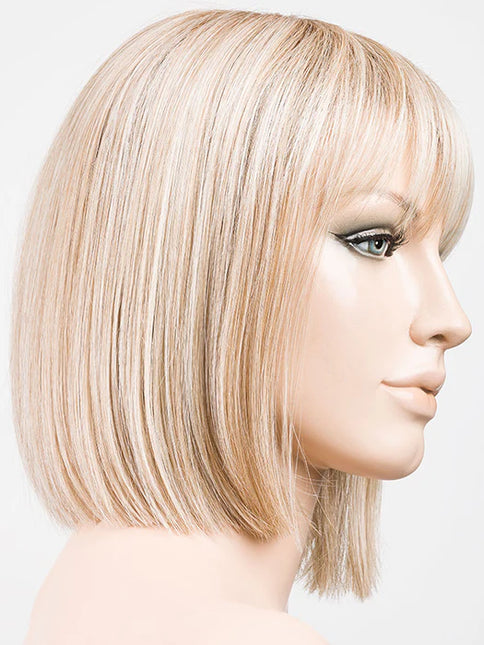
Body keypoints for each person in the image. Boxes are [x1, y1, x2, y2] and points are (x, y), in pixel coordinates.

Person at [10, 8, 473, 644]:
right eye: (374, 241)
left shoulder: (76, 606)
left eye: (439, 251)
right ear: (200, 258)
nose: (452, 320)